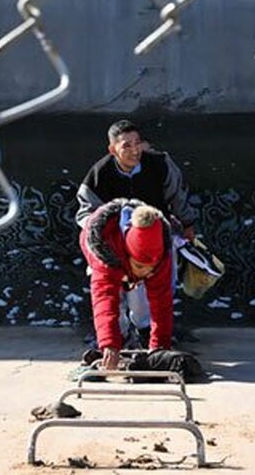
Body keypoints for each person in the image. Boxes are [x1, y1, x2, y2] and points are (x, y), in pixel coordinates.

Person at [76, 119, 199, 346]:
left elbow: (177, 197)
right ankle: (115, 334)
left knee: (158, 287)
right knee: (109, 290)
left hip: (156, 237)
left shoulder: (161, 164)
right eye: (127, 146)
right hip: (115, 244)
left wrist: (187, 224)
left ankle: (149, 330)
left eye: (137, 143)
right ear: (113, 149)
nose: (135, 151)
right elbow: (86, 214)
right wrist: (103, 239)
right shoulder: (98, 175)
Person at [79, 200, 173, 369]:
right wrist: (109, 343)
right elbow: (104, 300)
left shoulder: (162, 256)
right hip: (108, 258)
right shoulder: (105, 252)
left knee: (142, 302)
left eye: (151, 267)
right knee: (115, 303)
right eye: (140, 266)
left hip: (129, 262)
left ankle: (143, 333)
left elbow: (162, 303)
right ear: (127, 255)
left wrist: (160, 347)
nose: (146, 272)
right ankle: (119, 338)